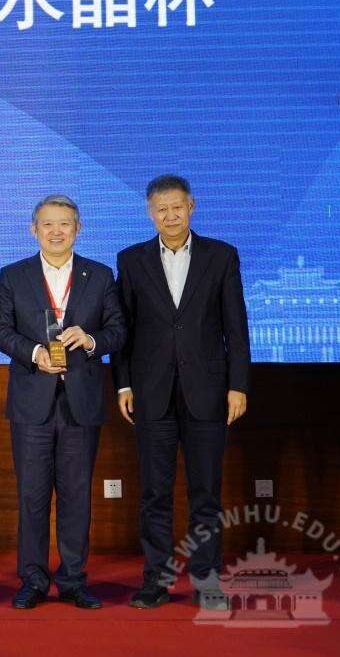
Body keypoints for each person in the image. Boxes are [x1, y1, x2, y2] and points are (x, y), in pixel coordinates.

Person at [114, 174, 250, 610]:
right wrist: (124, 383)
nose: (170, 216)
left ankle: (207, 583)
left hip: (208, 392)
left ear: (192, 206)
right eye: (161, 209)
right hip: (150, 393)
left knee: (205, 493)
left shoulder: (221, 256)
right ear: (150, 213)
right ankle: (155, 581)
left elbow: (236, 327)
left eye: (177, 207)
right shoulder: (130, 260)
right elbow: (123, 329)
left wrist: (238, 385)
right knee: (154, 493)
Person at [0, 195, 126, 611]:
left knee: (76, 496)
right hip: (32, 401)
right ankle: (32, 580)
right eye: (47, 224)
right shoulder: (14, 275)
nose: (56, 231)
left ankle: (73, 580)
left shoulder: (99, 275)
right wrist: (34, 353)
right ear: (34, 230)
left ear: (78, 228)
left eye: (65, 223)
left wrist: (92, 339)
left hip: (81, 401)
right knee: (32, 496)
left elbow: (118, 330)